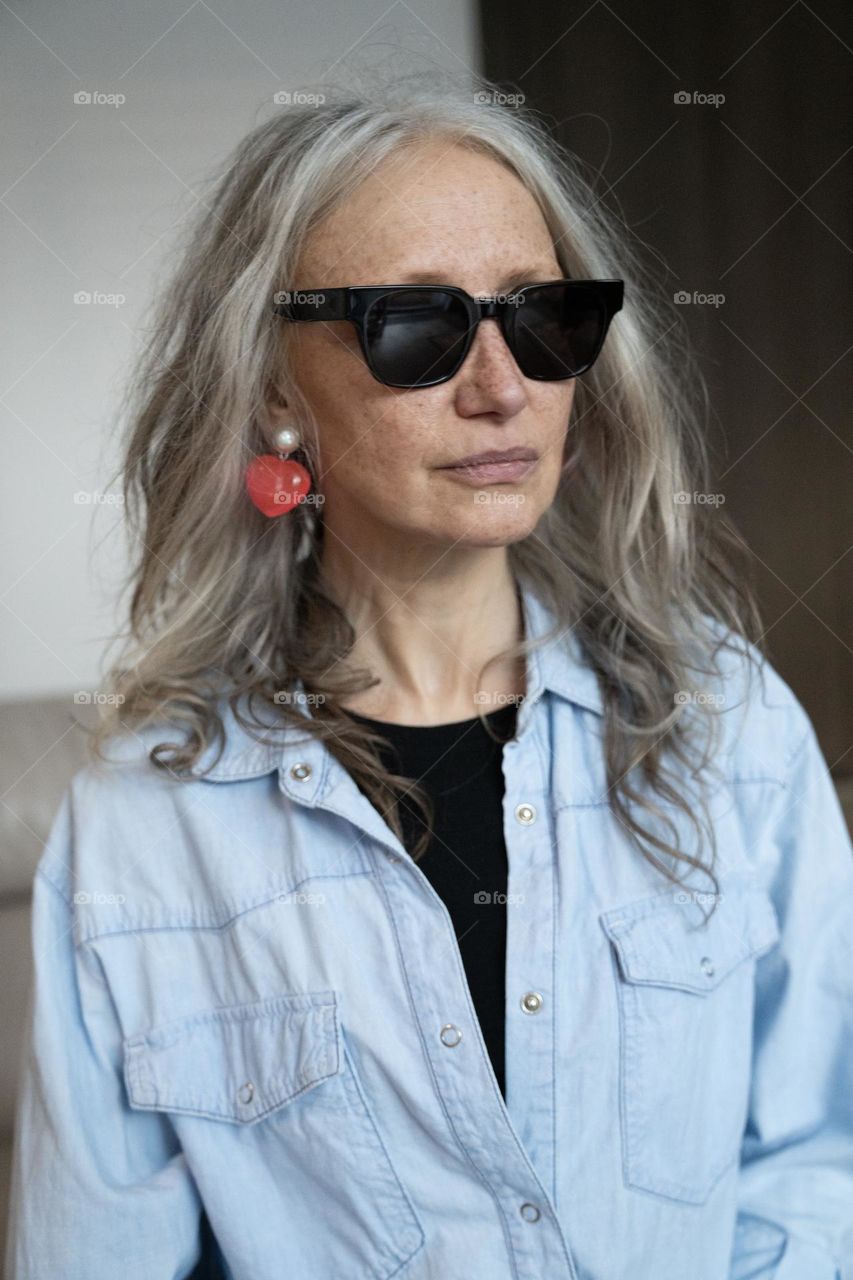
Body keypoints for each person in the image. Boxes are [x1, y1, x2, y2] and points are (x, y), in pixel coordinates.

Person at [6, 71, 853, 1280]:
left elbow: (821, 1160)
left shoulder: (722, 718)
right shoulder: (141, 825)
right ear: (272, 384)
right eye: (417, 326)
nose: (504, 385)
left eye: (541, 316)